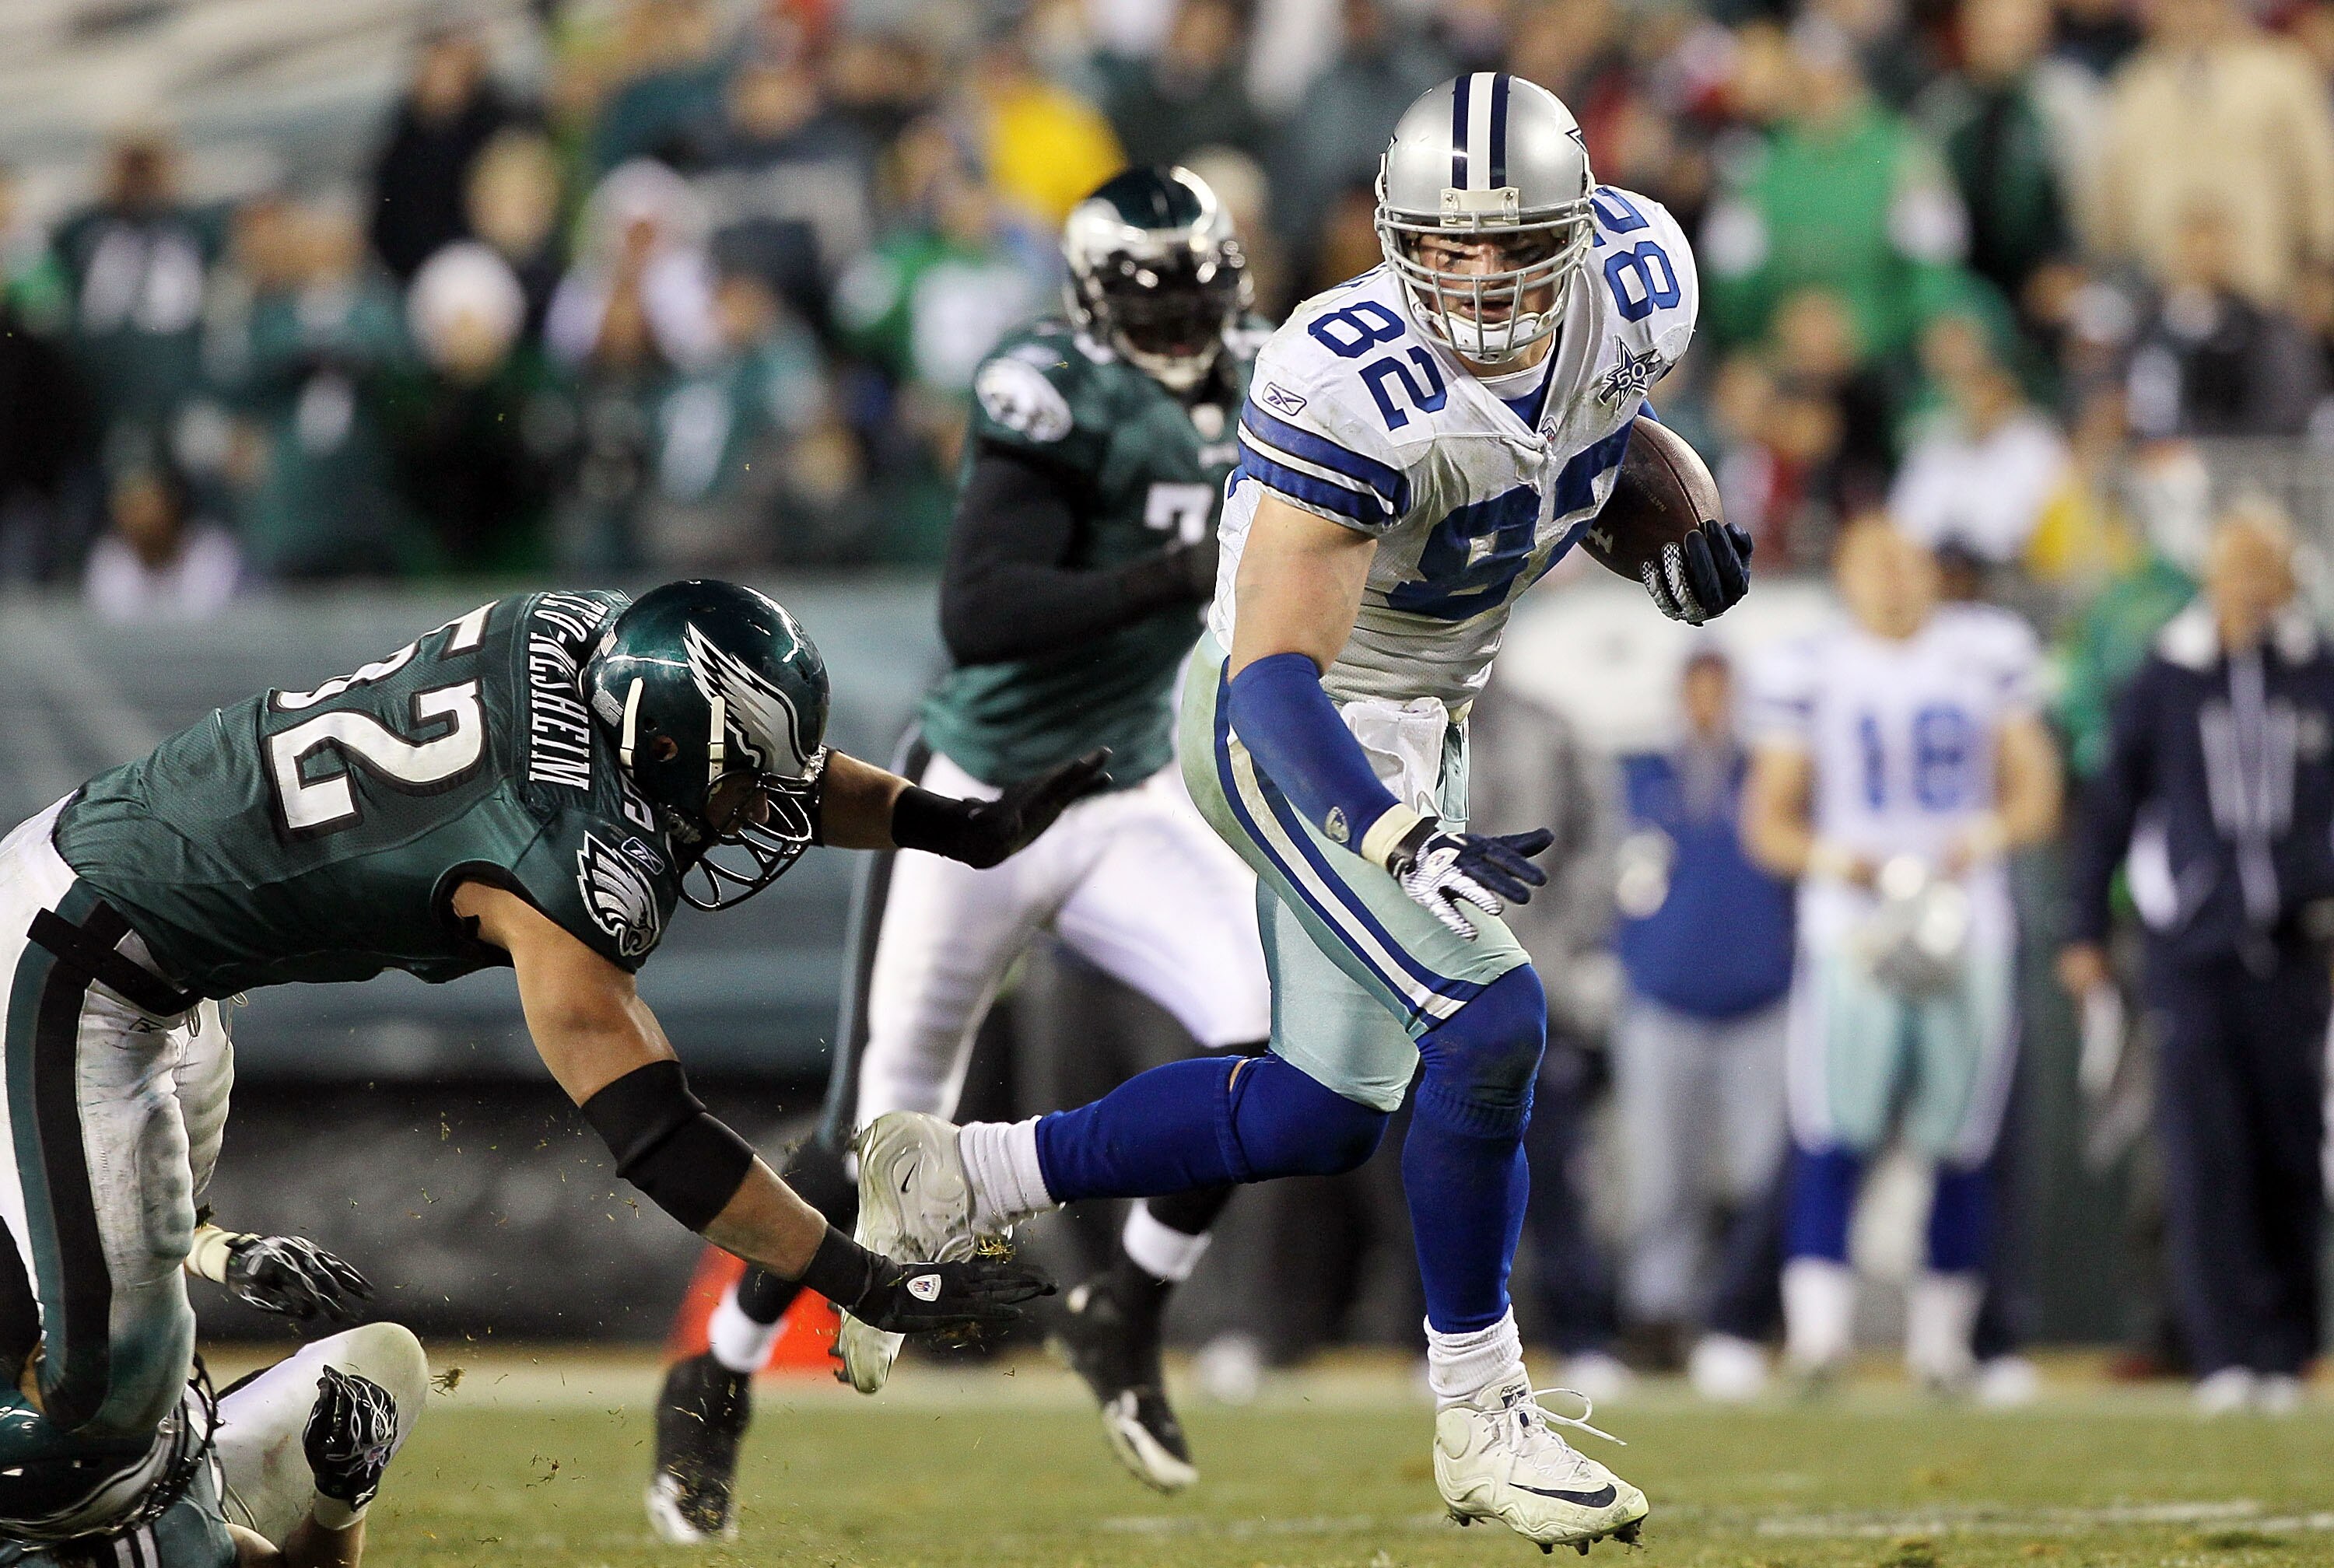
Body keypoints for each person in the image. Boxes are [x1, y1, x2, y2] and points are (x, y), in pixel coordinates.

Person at [836, 75, 1753, 1553]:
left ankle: (961, 1173)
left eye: (1509, 243)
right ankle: (1483, 1416)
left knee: (1326, 1114)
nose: (1474, 279)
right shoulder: (1345, 379)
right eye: (1440, 248)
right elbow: (1268, 683)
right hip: (1295, 729)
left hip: (1426, 717)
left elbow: (1611, 433)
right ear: (1391, 240)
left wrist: (1681, 530)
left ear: (1579, 235)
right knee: (1490, 1020)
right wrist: (1395, 833)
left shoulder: (1640, 285)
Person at [0, 580, 1075, 1550]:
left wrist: (953, 826)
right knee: (98, 1415)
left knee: (119, 1410)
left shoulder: (580, 636)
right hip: (80, 955)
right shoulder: (561, 861)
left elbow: (762, 767)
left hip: (160, 966)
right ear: (662, 753)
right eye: (742, 792)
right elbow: (663, 1140)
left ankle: (155, 1497)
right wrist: (863, 1280)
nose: (762, 814)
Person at [647, 166, 1273, 1543]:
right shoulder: (1047, 388)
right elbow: (985, 609)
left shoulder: (1272, 378)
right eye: (1147, 296)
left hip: (1133, 792)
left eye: (1194, 293)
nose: (1177, 322)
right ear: (1093, 299)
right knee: (875, 1135)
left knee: (1269, 1044)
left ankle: (1128, 1308)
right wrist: (1178, 577)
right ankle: (719, 1372)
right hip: (985, 797)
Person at [1740, 520, 2059, 1393]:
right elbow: (1768, 821)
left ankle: (1943, 1348)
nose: (1889, 581)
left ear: (1932, 572)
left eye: (1903, 564)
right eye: (1868, 565)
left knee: (1961, 1136)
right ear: (1840, 575)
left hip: (1964, 923)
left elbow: (2036, 789)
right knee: (1832, 1130)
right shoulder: (1809, 664)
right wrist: (1844, 861)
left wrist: (1987, 832)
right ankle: (1817, 1340)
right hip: (1854, 926)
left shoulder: (1985, 650)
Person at [2061, 501, 2334, 1414]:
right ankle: (2222, 1353)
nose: (2251, 581)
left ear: (2289, 574)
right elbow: (2110, 808)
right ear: (2212, 573)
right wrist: (2083, 931)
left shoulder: (2317, 671)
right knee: (2204, 1155)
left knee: (2291, 1150)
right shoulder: (2166, 676)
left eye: (2267, 563)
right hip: (2191, 948)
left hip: (2297, 946)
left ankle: (2287, 1348)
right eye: (2237, 563)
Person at [9, 1222, 429, 1566]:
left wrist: (225, 1253)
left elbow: (109, 1232)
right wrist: (344, 1496)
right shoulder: (176, 1540)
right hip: (168, 1504)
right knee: (389, 1357)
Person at [1607, 647, 1796, 1397]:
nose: (1709, 706)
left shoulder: (1767, 773)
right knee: (1660, 1178)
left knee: (1759, 1174)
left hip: (1760, 999)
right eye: (1699, 692)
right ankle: (1658, 1316)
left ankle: (1745, 1316)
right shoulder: (1642, 776)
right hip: (1660, 997)